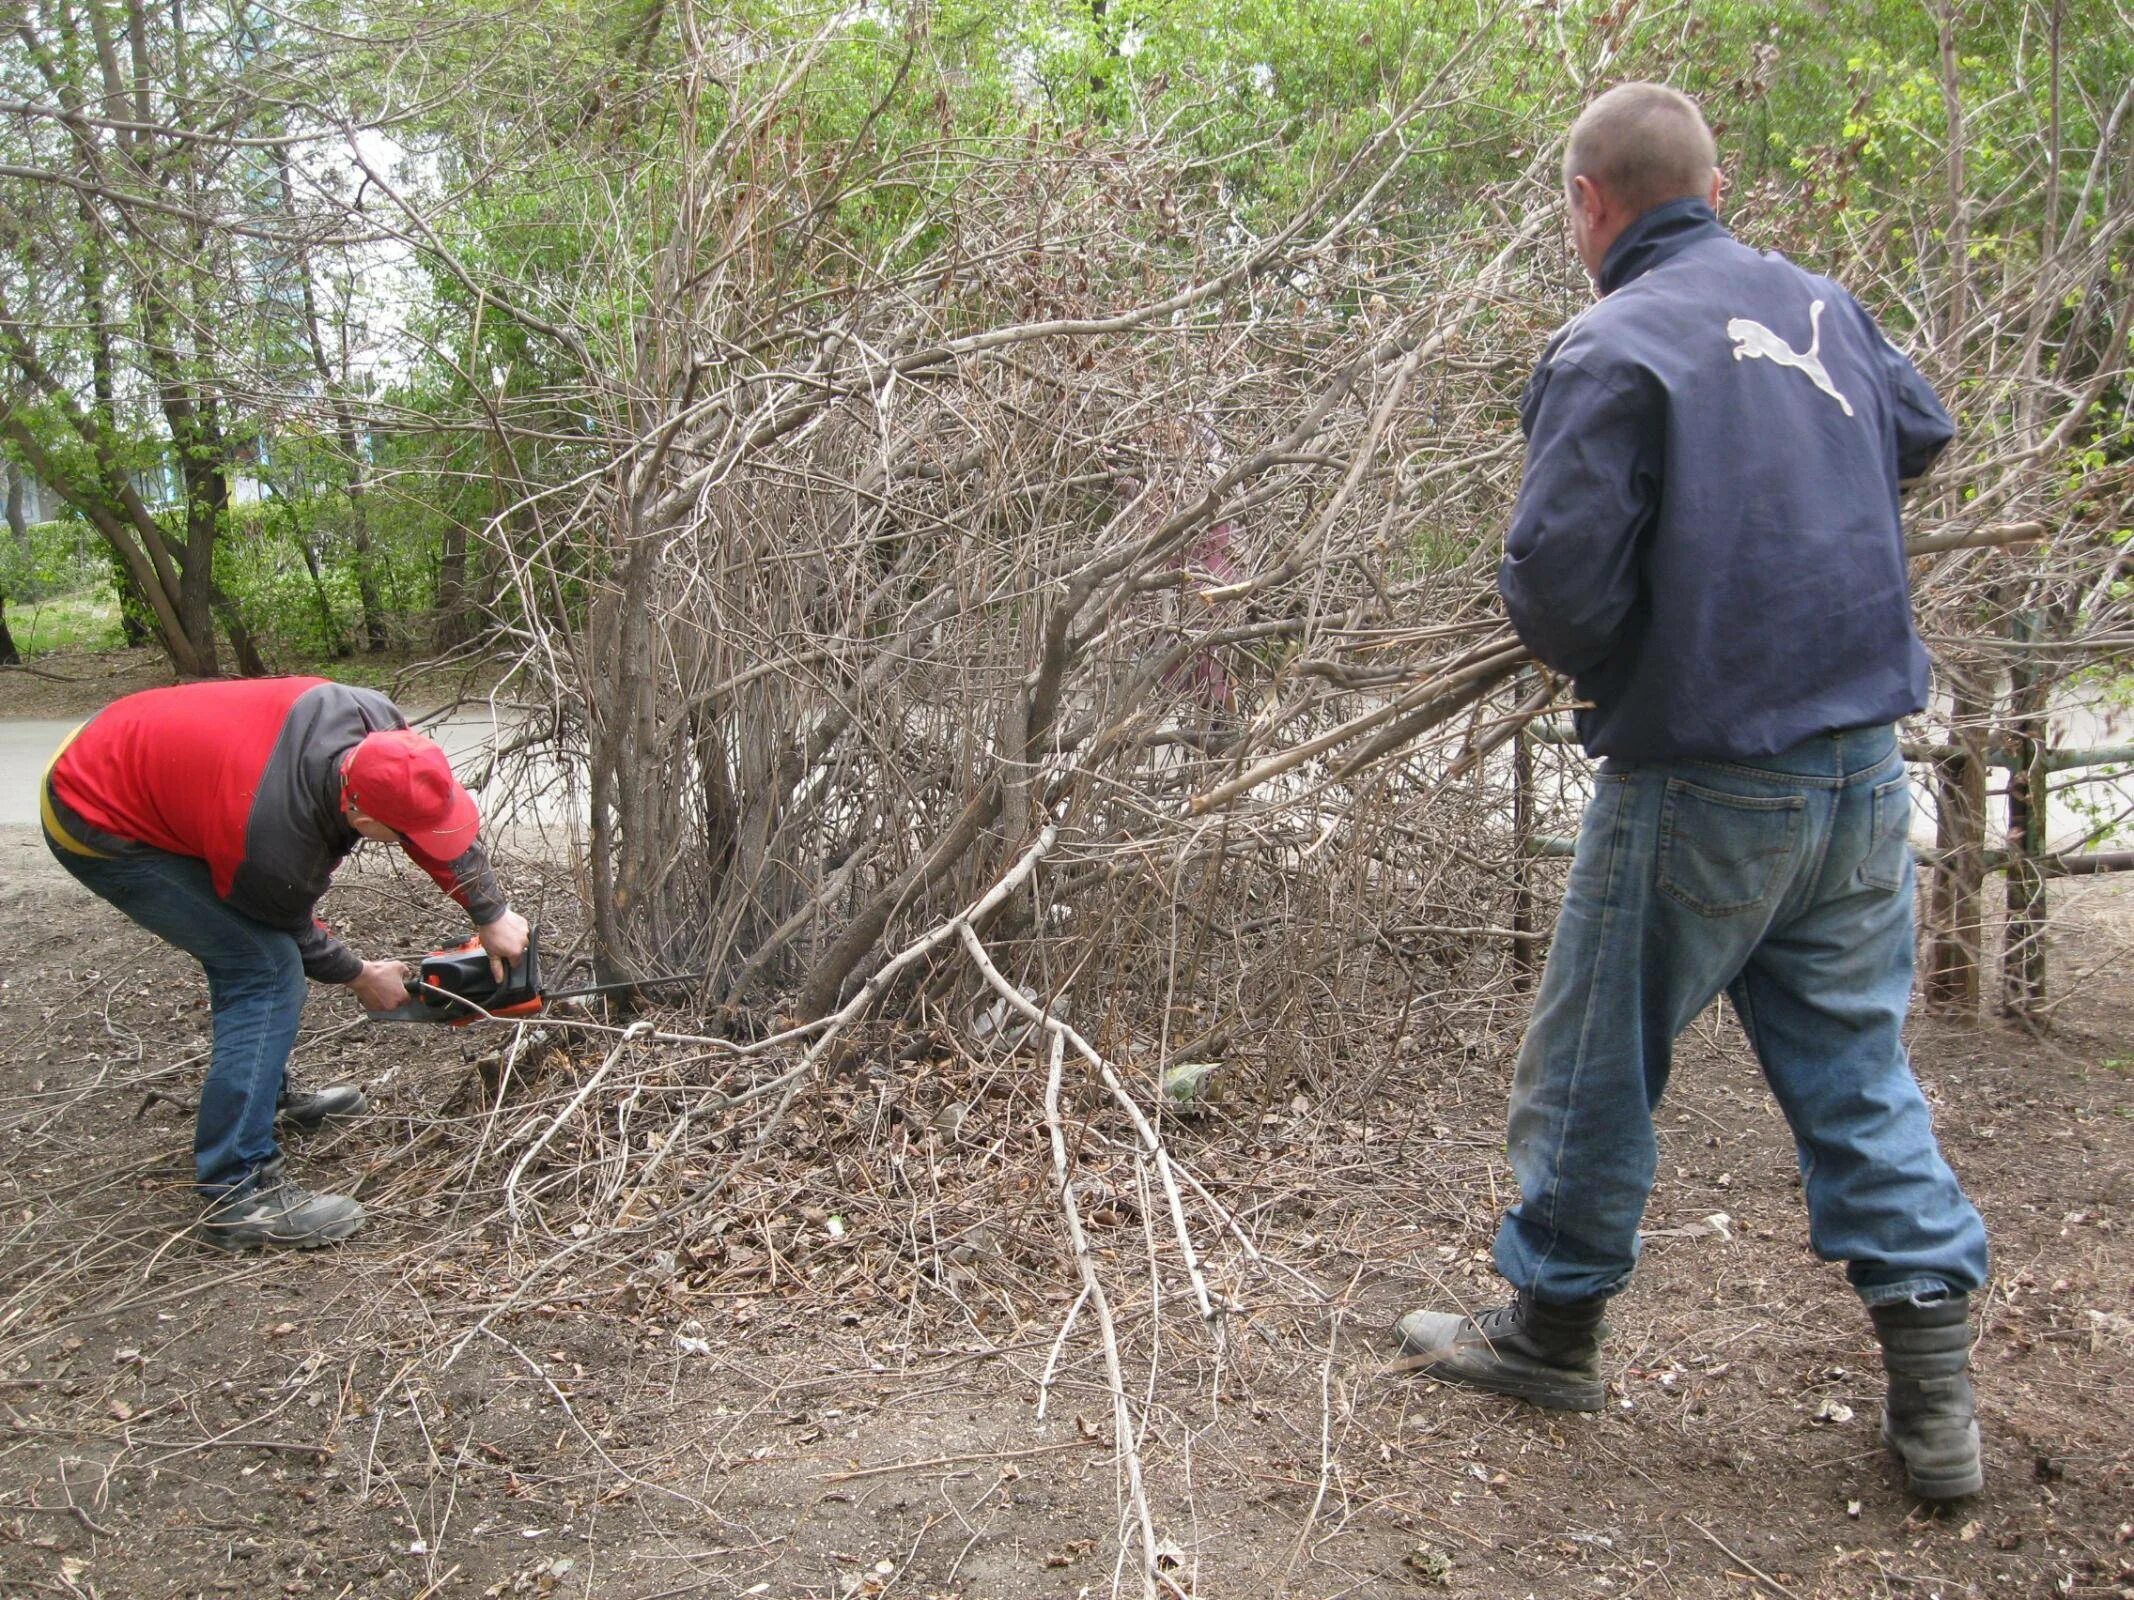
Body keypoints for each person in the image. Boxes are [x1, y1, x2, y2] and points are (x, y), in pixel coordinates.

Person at [1393, 84, 1989, 1501]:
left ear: (1587, 205)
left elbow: (1551, 584)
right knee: (1854, 1066)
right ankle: (1937, 1405)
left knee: (1597, 1061)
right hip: (1857, 771)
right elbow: (1918, 433)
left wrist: (1643, 641)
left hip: (1703, 776)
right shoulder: (1819, 309)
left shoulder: (1611, 340)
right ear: (1709, 186)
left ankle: (1549, 1329)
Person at [41, 676, 529, 1251]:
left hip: (140, 754)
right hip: (94, 810)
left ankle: (263, 1096)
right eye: (396, 836)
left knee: (261, 961)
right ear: (359, 814)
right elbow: (284, 924)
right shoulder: (270, 841)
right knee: (264, 970)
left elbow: (423, 808)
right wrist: (359, 974)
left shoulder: (377, 725)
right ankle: (238, 1191)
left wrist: (489, 909)